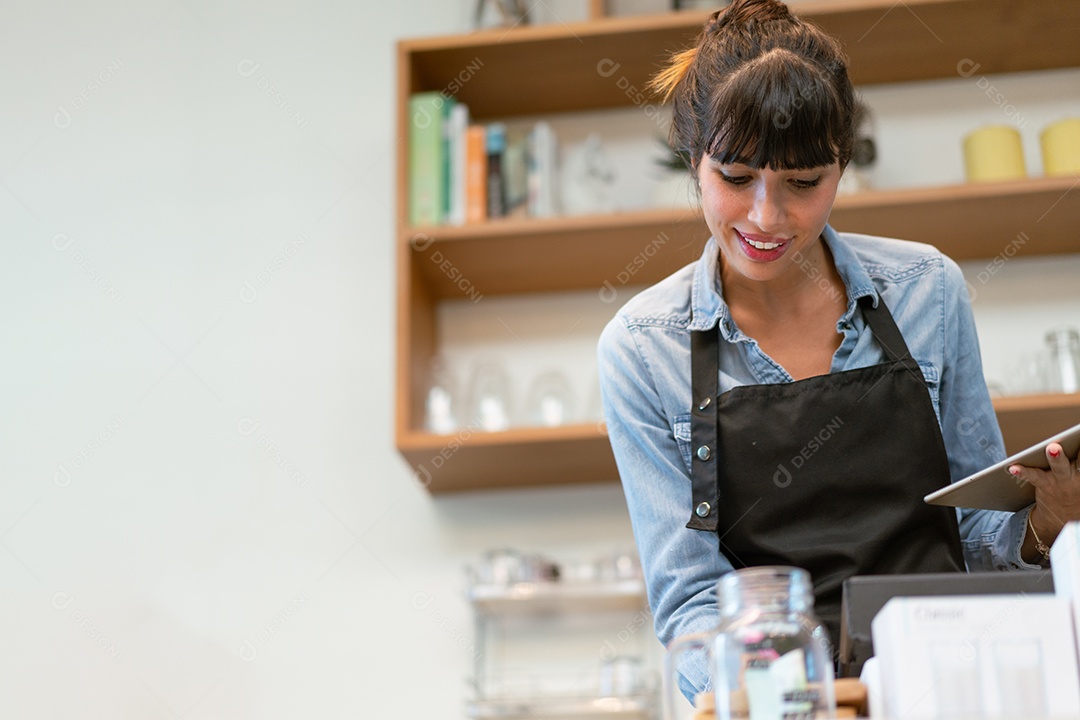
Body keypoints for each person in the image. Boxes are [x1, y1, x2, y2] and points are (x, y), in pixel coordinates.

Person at [596, 0, 1080, 697]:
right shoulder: (645, 351)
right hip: (784, 704)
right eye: (735, 179)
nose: (767, 217)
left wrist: (1046, 525)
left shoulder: (928, 292)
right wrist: (799, 700)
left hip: (947, 688)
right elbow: (693, 606)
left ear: (842, 166)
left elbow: (980, 541)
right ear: (692, 162)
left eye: (803, 183)